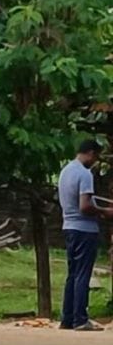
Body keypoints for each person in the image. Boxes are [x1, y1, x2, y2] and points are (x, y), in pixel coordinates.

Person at [58, 139, 112, 332]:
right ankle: (80, 319)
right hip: (84, 229)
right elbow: (85, 206)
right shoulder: (84, 173)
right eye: (96, 157)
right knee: (83, 274)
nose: (95, 162)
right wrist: (105, 212)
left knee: (72, 274)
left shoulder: (65, 171)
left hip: (69, 226)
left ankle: (67, 318)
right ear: (90, 153)